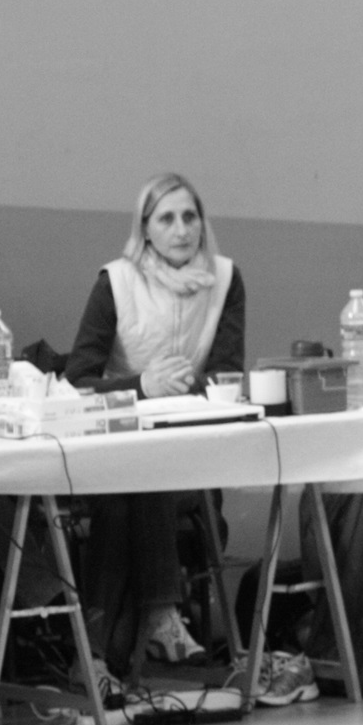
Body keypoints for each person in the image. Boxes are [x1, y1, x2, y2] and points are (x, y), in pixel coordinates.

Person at [65, 173, 253, 679]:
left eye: (190, 217)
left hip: (190, 456)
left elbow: (227, 373)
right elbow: (77, 380)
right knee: (133, 486)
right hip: (118, 453)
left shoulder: (226, 280)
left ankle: (94, 656)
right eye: (167, 219)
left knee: (147, 477)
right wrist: (143, 385)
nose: (182, 229)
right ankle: (159, 615)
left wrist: (185, 387)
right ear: (145, 229)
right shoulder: (115, 282)